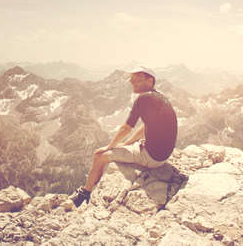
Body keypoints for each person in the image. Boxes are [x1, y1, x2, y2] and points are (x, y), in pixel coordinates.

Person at [70, 66, 177, 207]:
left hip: (151, 158)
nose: (132, 83)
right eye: (132, 80)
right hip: (162, 156)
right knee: (116, 149)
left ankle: (85, 192)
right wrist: (128, 143)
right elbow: (146, 126)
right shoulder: (160, 97)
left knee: (99, 155)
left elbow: (126, 128)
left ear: (150, 80)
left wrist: (111, 146)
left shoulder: (143, 99)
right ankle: (93, 187)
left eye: (137, 80)